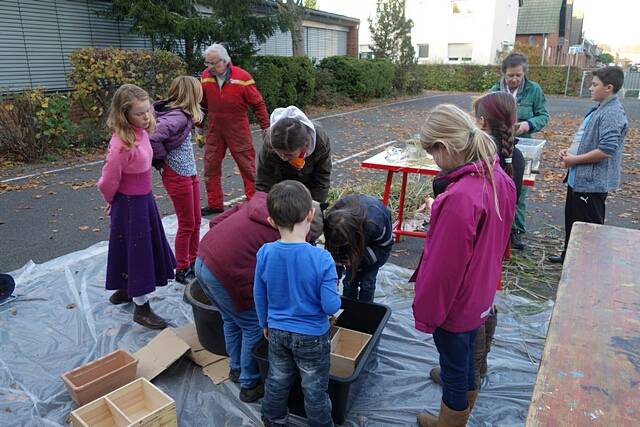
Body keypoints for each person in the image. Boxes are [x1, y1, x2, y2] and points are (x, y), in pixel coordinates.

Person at [412, 105, 516, 427]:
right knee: (467, 358)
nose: (433, 160)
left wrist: (428, 315)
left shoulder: (459, 198)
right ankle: (462, 402)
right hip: (480, 294)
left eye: (432, 153)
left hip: (454, 306)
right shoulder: (499, 177)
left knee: (456, 368)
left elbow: (443, 270)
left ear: (444, 147)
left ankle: (450, 421)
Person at [428, 91, 525, 389]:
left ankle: (468, 378)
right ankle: (475, 371)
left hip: (469, 278)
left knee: (463, 339)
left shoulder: (463, 194)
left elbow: (445, 264)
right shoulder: (508, 163)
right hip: (490, 253)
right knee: (483, 308)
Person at [254, 180, 341, 427]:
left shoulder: (265, 252)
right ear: (310, 214)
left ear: (271, 221)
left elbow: (259, 294)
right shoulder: (322, 258)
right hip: (312, 336)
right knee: (314, 389)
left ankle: (273, 419)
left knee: (278, 379)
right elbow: (331, 306)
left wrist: (264, 323)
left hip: (278, 332)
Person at [98, 84, 177, 329]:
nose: (146, 117)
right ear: (124, 115)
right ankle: (141, 309)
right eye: (139, 113)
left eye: (148, 111)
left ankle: (125, 288)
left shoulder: (141, 132)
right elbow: (107, 180)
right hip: (130, 206)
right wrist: (113, 201)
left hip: (143, 201)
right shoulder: (121, 144)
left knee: (132, 248)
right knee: (138, 253)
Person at [548, 66, 628, 264]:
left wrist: (574, 160)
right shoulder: (599, 109)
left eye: (594, 85)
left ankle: (587, 267)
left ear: (609, 87)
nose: (590, 88)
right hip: (579, 179)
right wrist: (570, 152)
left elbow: (606, 151)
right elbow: (587, 140)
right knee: (573, 222)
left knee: (588, 229)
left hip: (592, 184)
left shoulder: (612, 113)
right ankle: (570, 258)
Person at [199, 43, 270, 216]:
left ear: (225, 61)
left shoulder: (243, 77)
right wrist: (199, 129)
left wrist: (266, 127)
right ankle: (215, 203)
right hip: (215, 129)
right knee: (210, 167)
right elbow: (202, 105)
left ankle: (254, 202)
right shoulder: (205, 76)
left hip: (238, 128)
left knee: (247, 166)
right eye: (207, 63)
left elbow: (258, 103)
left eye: (213, 63)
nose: (210, 68)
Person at [491, 52, 549, 250]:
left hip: (522, 147)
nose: (514, 79)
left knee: (518, 189)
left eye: (518, 75)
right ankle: (496, 228)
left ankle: (515, 231)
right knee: (497, 186)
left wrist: (528, 124)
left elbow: (543, 115)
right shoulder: (495, 91)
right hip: (500, 145)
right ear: (504, 75)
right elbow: (485, 114)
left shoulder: (534, 90)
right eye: (510, 76)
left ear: (524, 74)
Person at [149, 76, 203, 284]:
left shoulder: (185, 115)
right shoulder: (178, 117)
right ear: (192, 94)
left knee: (196, 220)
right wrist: (162, 160)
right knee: (187, 223)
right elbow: (152, 136)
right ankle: (182, 268)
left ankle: (194, 261)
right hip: (177, 173)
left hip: (188, 172)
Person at [256, 106, 332, 207]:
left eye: (288, 155)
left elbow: (322, 179)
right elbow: (263, 182)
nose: (283, 158)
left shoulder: (320, 142)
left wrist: (315, 208)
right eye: (279, 153)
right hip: (282, 181)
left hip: (309, 181)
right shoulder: (269, 144)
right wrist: (263, 209)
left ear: (305, 146)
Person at [324, 194, 393, 303]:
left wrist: (359, 258)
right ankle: (348, 309)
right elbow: (333, 252)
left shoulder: (375, 224)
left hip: (374, 249)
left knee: (367, 283)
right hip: (354, 244)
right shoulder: (332, 222)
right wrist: (333, 277)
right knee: (349, 282)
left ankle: (365, 310)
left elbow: (384, 248)